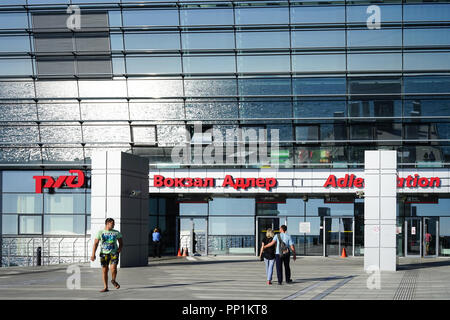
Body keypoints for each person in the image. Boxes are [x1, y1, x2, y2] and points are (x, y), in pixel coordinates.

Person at [91, 218, 123, 292]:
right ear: (107, 223)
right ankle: (106, 287)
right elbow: (95, 243)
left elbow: (121, 243)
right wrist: (93, 254)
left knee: (113, 268)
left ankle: (113, 280)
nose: (114, 225)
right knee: (105, 270)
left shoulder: (116, 232)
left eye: (114, 223)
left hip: (114, 253)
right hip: (103, 254)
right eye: (112, 223)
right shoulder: (100, 232)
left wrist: (119, 249)